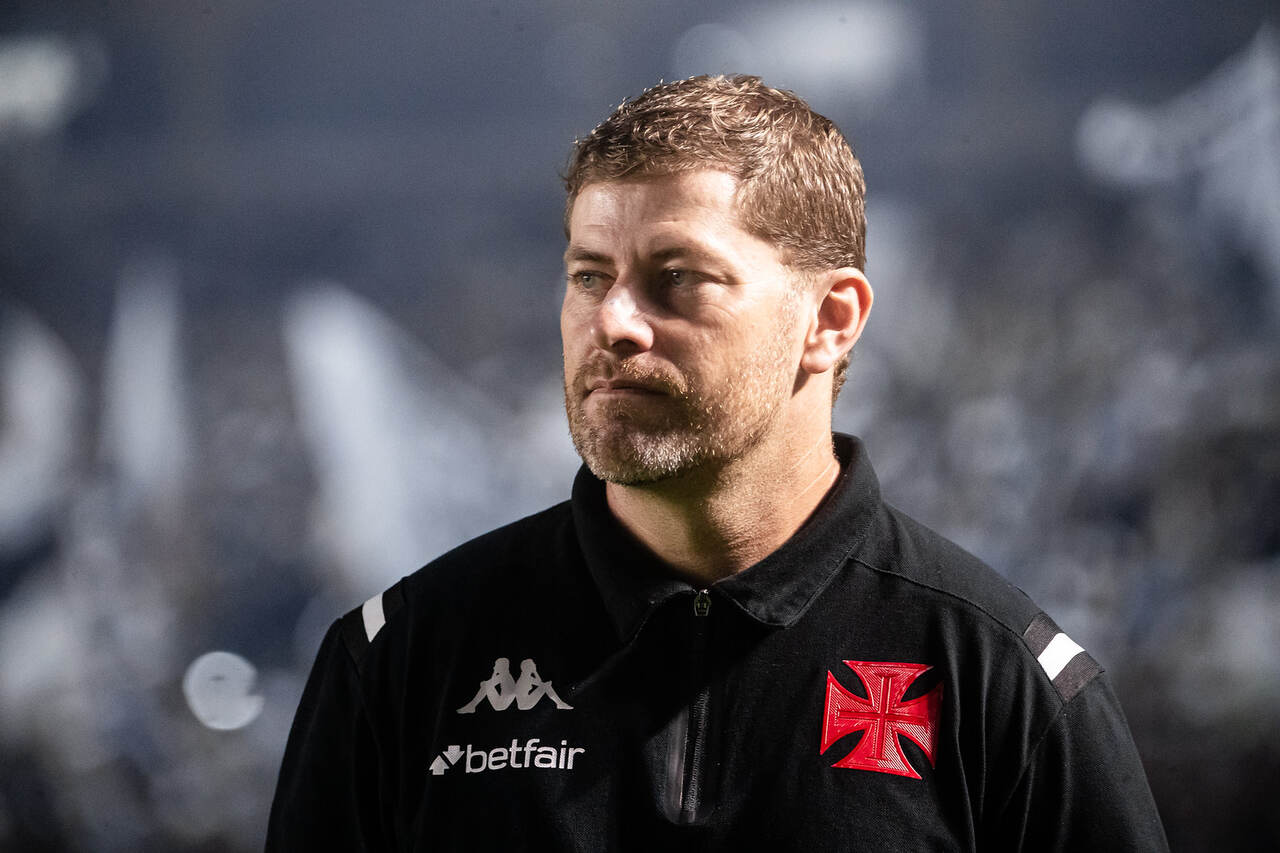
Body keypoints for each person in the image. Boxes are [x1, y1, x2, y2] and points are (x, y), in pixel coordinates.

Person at [267, 75, 1169, 851]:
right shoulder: (401, 659)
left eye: (679, 277)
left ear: (830, 320)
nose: (613, 322)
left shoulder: (1001, 679)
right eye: (588, 275)